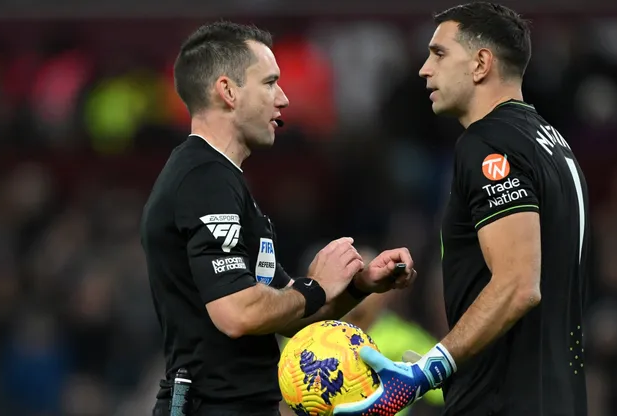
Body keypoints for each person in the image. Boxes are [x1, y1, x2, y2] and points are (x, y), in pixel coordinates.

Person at [140, 21, 417, 416]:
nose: (284, 98)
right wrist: (317, 287)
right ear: (228, 91)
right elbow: (237, 313)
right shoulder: (203, 180)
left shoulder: (223, 181)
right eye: (270, 82)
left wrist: (357, 287)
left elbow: (291, 313)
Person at [334, 3, 590, 416]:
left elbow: (519, 283)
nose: (423, 68)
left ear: (480, 63)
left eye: (438, 54)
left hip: (501, 403)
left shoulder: (488, 141)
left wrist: (429, 370)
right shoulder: (552, 142)